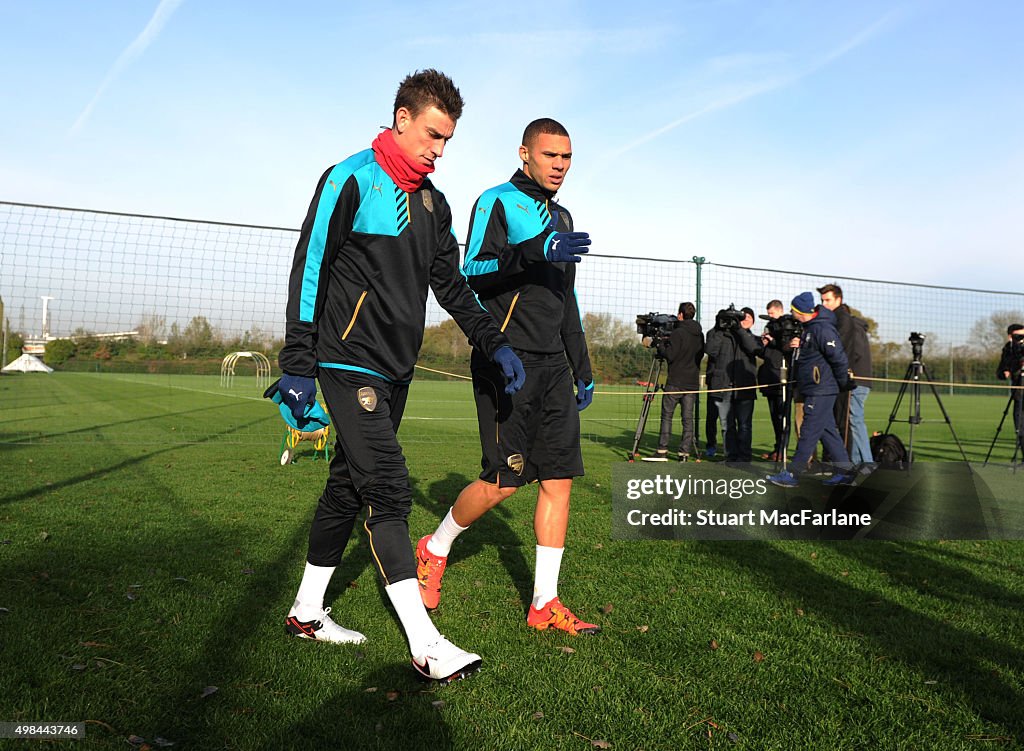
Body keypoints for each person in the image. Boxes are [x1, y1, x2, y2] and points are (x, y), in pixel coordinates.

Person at [274, 70, 526, 684]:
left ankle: (306, 613)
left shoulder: (432, 202)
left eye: (447, 141)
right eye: (433, 135)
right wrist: (298, 362)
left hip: (396, 368)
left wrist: (492, 339)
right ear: (402, 117)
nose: (439, 150)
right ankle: (426, 644)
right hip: (344, 358)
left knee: (345, 487)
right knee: (387, 485)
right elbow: (310, 266)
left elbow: (451, 283)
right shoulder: (350, 178)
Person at [416, 118, 601, 636]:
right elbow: (470, 268)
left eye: (566, 158)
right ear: (525, 154)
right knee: (503, 483)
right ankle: (434, 548)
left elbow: (567, 301)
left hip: (553, 367)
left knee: (558, 482)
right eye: (550, 156)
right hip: (507, 360)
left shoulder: (563, 216)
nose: (559, 166)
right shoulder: (497, 201)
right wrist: (532, 251)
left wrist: (580, 365)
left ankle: (545, 602)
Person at [767, 293, 852, 487]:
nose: (791, 313)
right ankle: (845, 472)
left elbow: (837, 357)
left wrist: (843, 382)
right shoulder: (810, 329)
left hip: (821, 388)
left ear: (799, 311)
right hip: (815, 387)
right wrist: (800, 345)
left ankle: (793, 474)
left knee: (809, 431)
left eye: (793, 310)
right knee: (828, 431)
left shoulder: (822, 328)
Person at [817, 283, 873, 465]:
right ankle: (858, 462)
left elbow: (851, 352)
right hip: (854, 378)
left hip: (856, 379)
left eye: (828, 300)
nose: (824, 304)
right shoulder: (848, 322)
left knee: (855, 421)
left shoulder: (848, 323)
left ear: (839, 300)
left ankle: (867, 463)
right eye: (822, 300)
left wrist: (845, 373)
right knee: (852, 420)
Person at [704, 305, 763, 463]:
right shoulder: (719, 334)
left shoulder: (751, 338)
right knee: (727, 425)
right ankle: (730, 457)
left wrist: (739, 330)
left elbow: (755, 349)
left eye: (748, 318)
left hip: (744, 387)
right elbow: (710, 350)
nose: (745, 320)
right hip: (724, 386)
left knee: (744, 425)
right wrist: (719, 327)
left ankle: (744, 458)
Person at [649, 302, 704, 461]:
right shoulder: (699, 334)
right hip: (692, 382)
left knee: (667, 416)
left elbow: (670, 355)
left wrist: (660, 345)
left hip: (675, 381)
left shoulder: (678, 333)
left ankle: (662, 450)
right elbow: (700, 354)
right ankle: (684, 453)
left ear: (680, 314)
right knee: (688, 419)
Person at [757, 299, 787, 461]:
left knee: (782, 418)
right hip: (769, 376)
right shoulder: (770, 326)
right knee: (775, 417)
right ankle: (777, 448)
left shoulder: (785, 326)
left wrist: (773, 340)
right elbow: (765, 354)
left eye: (772, 313)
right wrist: (765, 342)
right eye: (768, 314)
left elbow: (785, 347)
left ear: (779, 311)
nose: (770, 317)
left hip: (780, 377)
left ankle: (782, 450)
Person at [996, 323, 1024, 439]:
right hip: (1018, 394)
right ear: (1010, 337)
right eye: (1019, 336)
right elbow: (1000, 371)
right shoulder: (1008, 349)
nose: (1022, 340)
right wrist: (1005, 372)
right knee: (1020, 430)